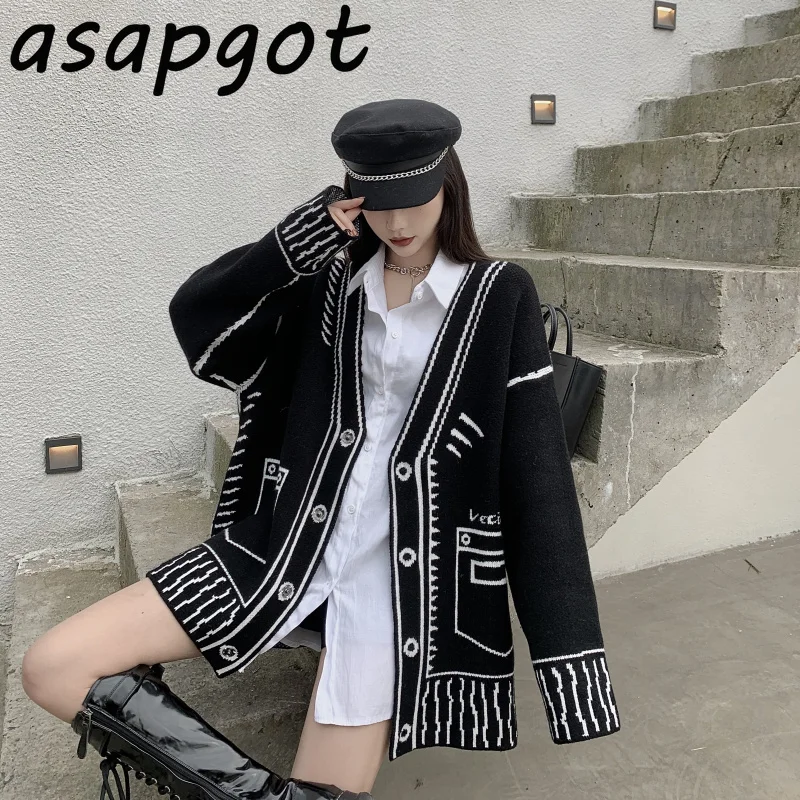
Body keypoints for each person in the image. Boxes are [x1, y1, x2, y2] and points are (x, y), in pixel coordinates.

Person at [20, 98, 621, 800]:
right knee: (52, 666)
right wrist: (288, 249)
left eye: (415, 200)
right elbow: (200, 321)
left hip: (399, 588)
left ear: (448, 185)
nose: (397, 224)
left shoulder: (497, 295)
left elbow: (538, 485)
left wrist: (571, 664)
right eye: (379, 205)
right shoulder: (328, 284)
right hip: (284, 550)